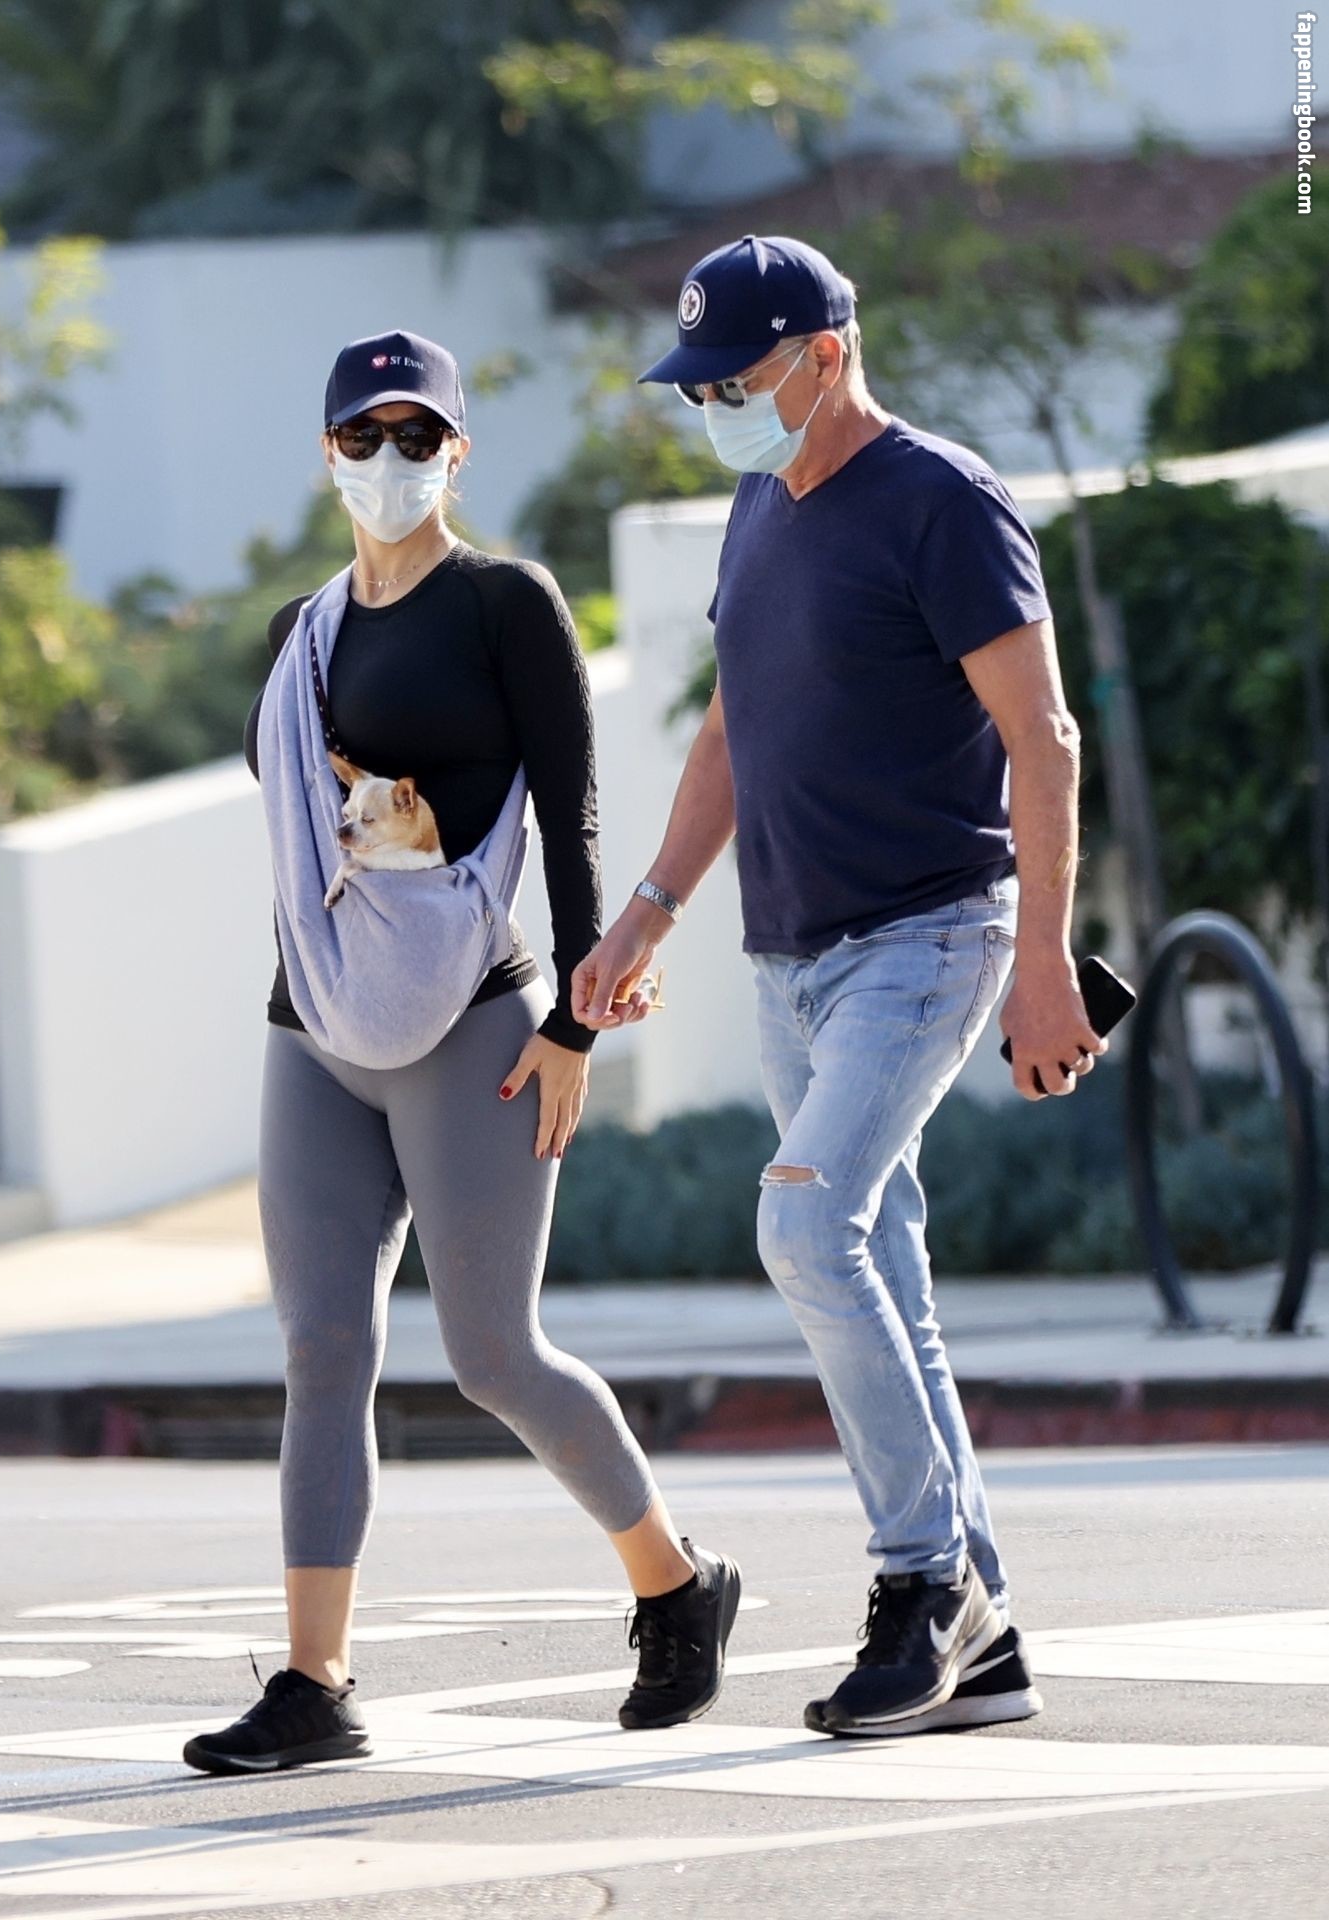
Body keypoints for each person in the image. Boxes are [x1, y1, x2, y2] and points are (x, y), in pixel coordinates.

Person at [183, 329, 741, 1777]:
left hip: (477, 1021)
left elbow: (571, 810)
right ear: (326, 453)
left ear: (458, 450)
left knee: (492, 1352)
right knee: (322, 1349)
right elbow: (303, 807)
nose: (391, 459)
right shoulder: (299, 635)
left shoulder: (505, 602)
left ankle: (675, 1585)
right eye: (362, 435)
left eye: (418, 434)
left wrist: (575, 1020)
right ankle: (316, 1683)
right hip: (316, 1020)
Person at [575, 237, 1106, 1739]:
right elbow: (730, 733)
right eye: (697, 390)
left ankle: (924, 1585)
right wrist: (646, 916)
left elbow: (1044, 739)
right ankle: (984, 1646)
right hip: (789, 956)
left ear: (824, 353)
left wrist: (1047, 961)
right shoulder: (762, 506)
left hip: (927, 938)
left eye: (733, 381)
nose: (714, 410)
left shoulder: (942, 501)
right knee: (889, 1277)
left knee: (806, 1226)